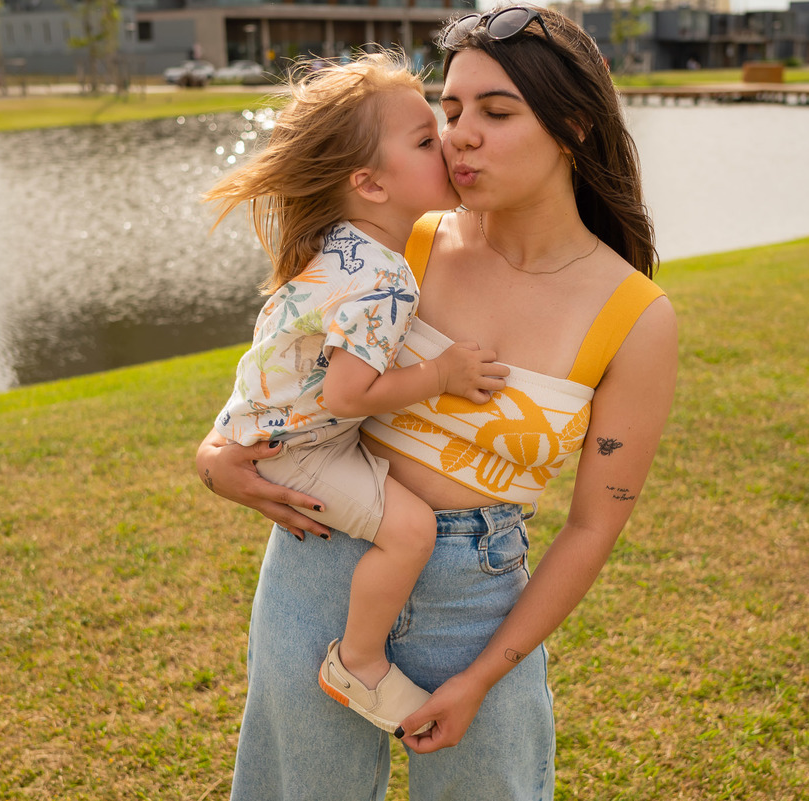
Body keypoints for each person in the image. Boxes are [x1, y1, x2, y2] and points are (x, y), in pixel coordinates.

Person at [196, 6, 678, 798]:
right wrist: (217, 459)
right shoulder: (399, 241)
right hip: (321, 571)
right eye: (449, 112)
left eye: (496, 111)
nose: (460, 136)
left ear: (576, 126)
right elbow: (277, 374)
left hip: (477, 603)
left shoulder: (634, 317)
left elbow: (594, 525)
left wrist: (487, 676)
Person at [203, 53, 509, 736]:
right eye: (427, 139)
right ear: (370, 183)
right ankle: (359, 659)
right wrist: (441, 375)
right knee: (410, 530)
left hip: (264, 425)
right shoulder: (386, 277)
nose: (450, 142)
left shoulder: (342, 246)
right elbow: (346, 393)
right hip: (296, 450)